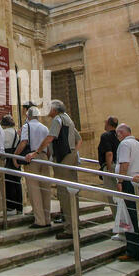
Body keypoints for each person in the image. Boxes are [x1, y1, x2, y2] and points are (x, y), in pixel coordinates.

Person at [26, 100, 82, 239]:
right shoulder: (68, 119)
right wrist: (73, 152)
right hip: (71, 157)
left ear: (55, 110)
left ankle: (70, 230)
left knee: (64, 193)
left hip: (64, 159)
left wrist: (36, 152)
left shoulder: (57, 120)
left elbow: (50, 137)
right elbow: (79, 139)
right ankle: (74, 224)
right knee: (73, 192)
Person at [115, 124, 139, 262]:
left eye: (117, 135)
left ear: (121, 133)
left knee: (132, 218)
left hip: (130, 183)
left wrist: (120, 181)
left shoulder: (125, 144)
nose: (117, 137)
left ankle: (134, 251)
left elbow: (124, 164)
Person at [14, 106, 51, 228]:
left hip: (32, 158)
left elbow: (23, 142)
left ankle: (40, 221)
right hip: (44, 158)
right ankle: (47, 219)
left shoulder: (27, 126)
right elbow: (49, 146)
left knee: (34, 190)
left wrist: (15, 155)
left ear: (28, 116)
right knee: (45, 189)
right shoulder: (45, 128)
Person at [98, 116, 120, 222]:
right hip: (119, 168)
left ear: (108, 124)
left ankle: (119, 226)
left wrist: (109, 169)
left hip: (111, 168)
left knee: (113, 198)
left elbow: (109, 153)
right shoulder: (119, 135)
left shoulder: (105, 136)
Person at [1, 114, 23, 215]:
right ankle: (19, 206)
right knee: (17, 182)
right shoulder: (16, 132)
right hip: (16, 156)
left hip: (8, 157)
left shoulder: (3, 132)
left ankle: (11, 206)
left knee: (9, 182)